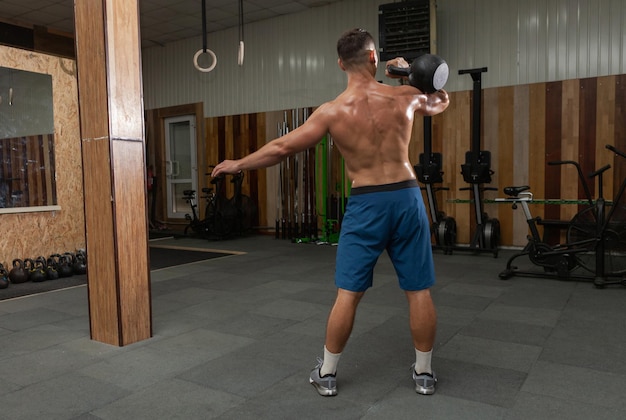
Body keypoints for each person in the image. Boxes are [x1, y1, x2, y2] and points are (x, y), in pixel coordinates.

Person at [211, 28, 449, 397]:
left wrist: (238, 163)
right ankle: (424, 374)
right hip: (405, 197)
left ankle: (328, 373)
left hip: (366, 203)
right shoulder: (405, 95)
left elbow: (282, 148)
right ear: (374, 59)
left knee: (348, 293)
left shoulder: (332, 112)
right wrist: (405, 74)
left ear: (340, 64)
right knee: (418, 291)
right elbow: (440, 99)